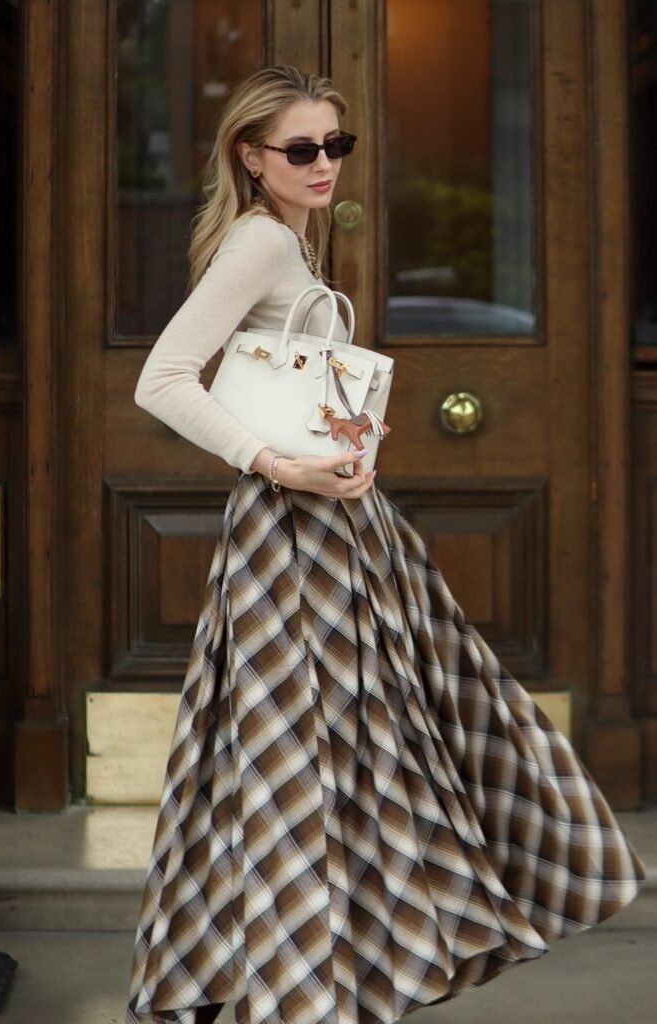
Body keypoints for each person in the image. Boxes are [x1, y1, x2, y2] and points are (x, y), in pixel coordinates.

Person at [126, 66, 645, 1024]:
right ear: (250, 156)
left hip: (333, 526)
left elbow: (275, 374)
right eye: (300, 149)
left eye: (336, 146)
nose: (323, 164)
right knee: (303, 761)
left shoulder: (287, 240)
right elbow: (160, 380)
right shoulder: (257, 243)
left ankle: (328, 979)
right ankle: (299, 990)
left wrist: (339, 428)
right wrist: (277, 464)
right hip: (291, 538)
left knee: (356, 750)